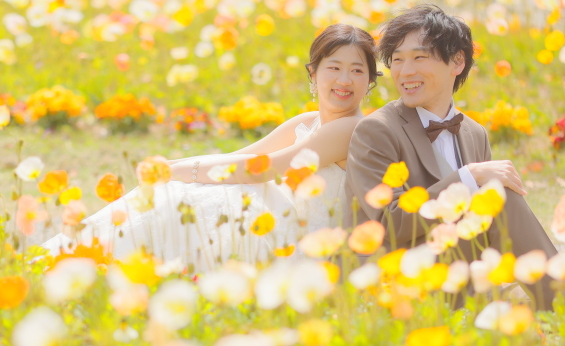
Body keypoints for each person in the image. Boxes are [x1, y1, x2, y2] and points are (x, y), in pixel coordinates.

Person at [43, 24, 379, 272]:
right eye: (334, 68)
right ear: (313, 73)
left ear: (370, 82)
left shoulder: (352, 129)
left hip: (300, 247)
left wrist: (176, 170)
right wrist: (172, 167)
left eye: (357, 70)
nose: (344, 80)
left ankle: (80, 257)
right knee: (181, 192)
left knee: (191, 197)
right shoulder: (307, 121)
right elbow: (239, 158)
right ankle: (80, 254)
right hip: (275, 221)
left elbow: (264, 168)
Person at [343, 4, 558, 310]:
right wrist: (468, 177)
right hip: (399, 277)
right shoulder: (377, 130)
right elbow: (387, 223)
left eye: (419, 57)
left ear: (457, 61)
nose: (405, 72)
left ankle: (546, 297)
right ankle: (558, 303)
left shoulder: (475, 132)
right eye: (398, 61)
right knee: (499, 197)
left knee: (497, 197)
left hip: (462, 271)